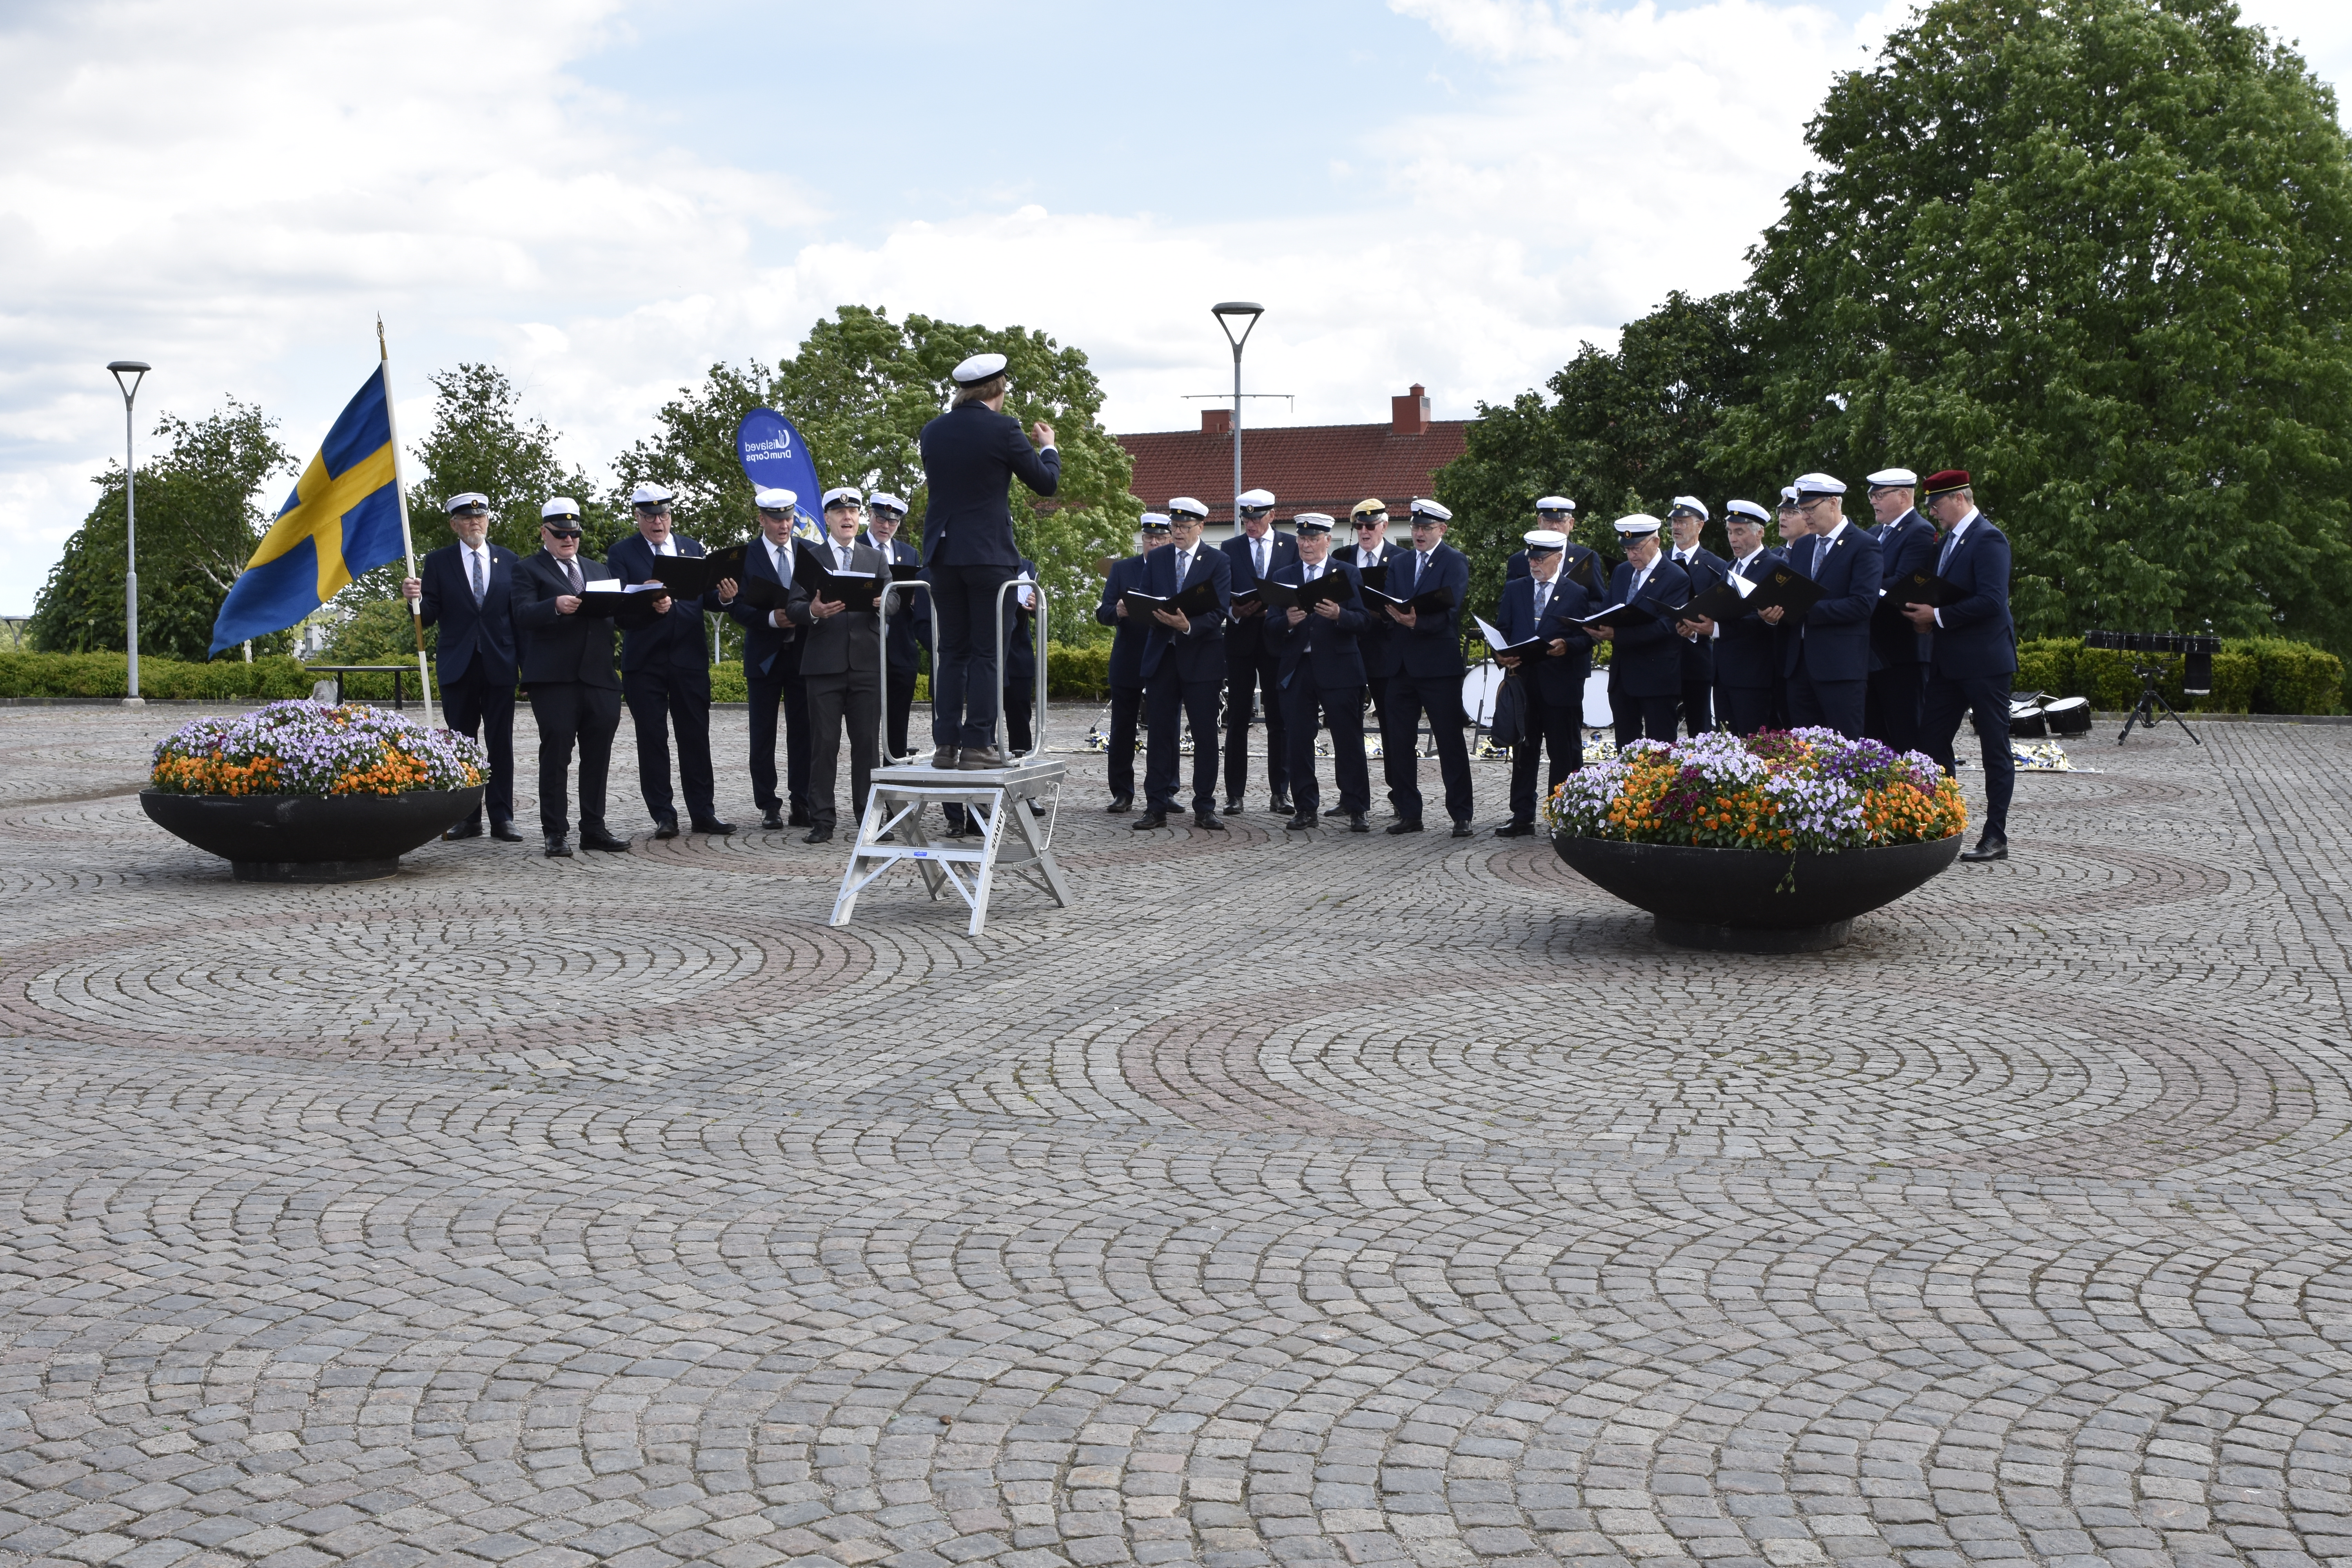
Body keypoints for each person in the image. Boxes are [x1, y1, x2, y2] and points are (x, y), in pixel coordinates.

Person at [918, 352, 1058, 769]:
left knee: (952, 651)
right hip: (988, 556)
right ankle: (978, 743)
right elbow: (1046, 482)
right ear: (998, 389)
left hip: (942, 555)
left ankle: (946, 743)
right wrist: (1048, 448)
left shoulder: (932, 431)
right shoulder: (1003, 429)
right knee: (988, 653)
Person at [608, 483, 738, 837]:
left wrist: (725, 597)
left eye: (663, 514)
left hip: (689, 659)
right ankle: (664, 815)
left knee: (695, 737)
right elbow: (619, 613)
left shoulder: (692, 548)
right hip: (645, 663)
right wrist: (650, 606)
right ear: (638, 518)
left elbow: (704, 597)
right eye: (650, 517)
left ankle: (703, 812)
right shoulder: (622, 554)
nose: (658, 522)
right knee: (652, 739)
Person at [1903, 469, 2017, 863]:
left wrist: (1936, 616)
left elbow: (1992, 600)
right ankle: (1939, 823)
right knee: (1930, 743)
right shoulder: (1948, 542)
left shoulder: (1989, 538)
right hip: (1948, 662)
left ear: (1960, 498)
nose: (1933, 512)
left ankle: (1996, 835)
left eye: (1937, 504)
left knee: (1994, 749)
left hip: (1985, 662)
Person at [509, 499, 632, 857]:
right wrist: (554, 606)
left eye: (574, 534)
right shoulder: (527, 569)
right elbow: (521, 614)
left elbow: (618, 618)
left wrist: (649, 606)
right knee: (557, 754)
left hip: (599, 678)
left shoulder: (598, 570)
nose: (569, 540)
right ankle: (555, 832)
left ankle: (594, 828)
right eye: (561, 534)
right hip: (555, 679)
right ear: (545, 533)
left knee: (598, 757)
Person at [401, 492, 521, 842]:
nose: (475, 523)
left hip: (500, 663)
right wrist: (415, 600)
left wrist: (526, 669)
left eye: (480, 517)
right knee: (462, 744)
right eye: (467, 519)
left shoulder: (509, 560)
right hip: (459, 666)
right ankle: (467, 818)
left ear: (488, 520)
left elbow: (517, 618)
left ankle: (503, 818)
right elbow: (429, 617)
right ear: (454, 524)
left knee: (501, 743)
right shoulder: (439, 562)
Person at [787, 488, 887, 845]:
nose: (848, 517)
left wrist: (881, 601)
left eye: (854, 511)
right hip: (823, 665)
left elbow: (894, 604)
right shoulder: (811, 557)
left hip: (865, 666)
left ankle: (868, 816)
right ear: (827, 517)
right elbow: (794, 607)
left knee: (866, 744)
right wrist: (813, 612)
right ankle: (822, 820)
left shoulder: (874, 558)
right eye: (840, 511)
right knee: (824, 744)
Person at [1262, 512, 1372, 833]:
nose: (1306, 545)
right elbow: (1270, 627)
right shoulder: (1284, 574)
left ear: (1328, 540)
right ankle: (1305, 807)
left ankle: (1356, 807)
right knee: (1297, 741)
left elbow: (1365, 621)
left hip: (1339, 667)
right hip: (1298, 669)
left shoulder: (1347, 573)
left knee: (1348, 740)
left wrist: (1340, 615)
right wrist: (1288, 622)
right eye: (1302, 539)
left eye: (1313, 539)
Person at [1376, 498, 1475, 837]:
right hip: (1401, 666)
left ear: (1442, 530)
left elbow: (1451, 610)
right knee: (1399, 742)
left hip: (1437, 666)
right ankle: (1408, 812)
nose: (1419, 533)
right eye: (1416, 528)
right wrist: (1396, 616)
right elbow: (1387, 600)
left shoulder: (1455, 561)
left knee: (1449, 741)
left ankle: (1461, 814)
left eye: (1426, 528)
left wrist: (1417, 622)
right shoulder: (1401, 563)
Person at [1133, 503, 1231, 831]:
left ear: (1201, 527)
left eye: (1185, 526)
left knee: (1205, 735)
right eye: (1175, 525)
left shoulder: (1218, 561)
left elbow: (1219, 612)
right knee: (1160, 734)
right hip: (1162, 658)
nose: (1177, 531)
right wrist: (1151, 613)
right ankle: (1156, 805)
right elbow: (1145, 599)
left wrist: (1186, 625)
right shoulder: (1158, 558)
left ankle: (1204, 806)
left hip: (1202, 659)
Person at [1491, 528, 1594, 835]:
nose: (1534, 564)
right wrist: (1501, 656)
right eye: (1531, 558)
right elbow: (1502, 631)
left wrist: (1568, 646)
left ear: (1558, 558)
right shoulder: (1516, 589)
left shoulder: (1576, 593)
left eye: (1540, 558)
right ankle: (1522, 816)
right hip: (1524, 685)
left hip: (1560, 686)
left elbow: (1586, 638)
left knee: (1563, 754)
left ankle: (1562, 815)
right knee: (1524, 752)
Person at [728, 489, 816, 832]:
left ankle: (801, 800)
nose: (784, 525)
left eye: (789, 518)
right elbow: (734, 605)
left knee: (803, 732)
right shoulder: (745, 556)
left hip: (802, 654)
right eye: (777, 519)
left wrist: (806, 613)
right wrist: (771, 619)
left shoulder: (808, 551)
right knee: (762, 735)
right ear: (762, 519)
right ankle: (768, 804)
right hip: (764, 655)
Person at [1772, 472, 1880, 739]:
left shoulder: (1864, 545)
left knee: (1845, 750)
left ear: (1834, 503)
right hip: (1799, 666)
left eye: (1810, 509)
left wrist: (1806, 609)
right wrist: (1774, 612)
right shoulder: (1803, 546)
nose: (1805, 516)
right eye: (1802, 510)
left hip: (1840, 668)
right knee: (1804, 752)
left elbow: (1863, 605)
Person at [1218, 487, 1299, 815]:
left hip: (1277, 641)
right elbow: (1222, 592)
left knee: (1279, 719)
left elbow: (1298, 587)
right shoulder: (1230, 547)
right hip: (1241, 639)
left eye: (1256, 518)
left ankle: (1281, 792)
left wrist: (1277, 610)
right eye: (1245, 518)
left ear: (1272, 516)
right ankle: (1234, 794)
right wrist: (1236, 611)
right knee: (1237, 718)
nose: (1250, 525)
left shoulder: (1292, 546)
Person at [1678, 500, 1785, 737]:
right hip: (1725, 673)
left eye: (1740, 532)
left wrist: (1716, 630)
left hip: (1754, 675)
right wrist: (1695, 627)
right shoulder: (1730, 567)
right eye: (1729, 532)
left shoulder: (1774, 566)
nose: (1733, 539)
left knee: (1756, 745)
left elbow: (1765, 619)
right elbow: (1721, 610)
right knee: (1731, 746)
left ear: (1760, 533)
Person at [1588, 514, 1690, 748]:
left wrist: (1618, 635)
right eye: (1627, 550)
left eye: (1637, 548)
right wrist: (1593, 625)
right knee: (1625, 750)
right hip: (1623, 677)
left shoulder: (1675, 577)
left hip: (1657, 678)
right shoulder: (1623, 572)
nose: (1632, 555)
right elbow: (1608, 609)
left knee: (1661, 751)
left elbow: (1667, 626)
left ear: (1656, 542)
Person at [1093, 514, 1169, 813]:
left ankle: (1167, 789)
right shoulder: (1124, 569)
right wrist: (1119, 612)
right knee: (1123, 729)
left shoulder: (1175, 569)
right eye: (1149, 538)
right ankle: (1122, 791)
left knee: (1164, 728)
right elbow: (1104, 612)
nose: (1153, 543)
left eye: (1160, 538)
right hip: (1129, 658)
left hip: (1164, 658)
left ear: (1168, 540)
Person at [1334, 498, 1403, 809]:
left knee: (1392, 727)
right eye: (1359, 526)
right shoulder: (1341, 557)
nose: (1364, 531)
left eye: (1371, 526)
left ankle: (1399, 793)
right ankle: (1351, 796)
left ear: (1384, 527)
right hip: (1347, 650)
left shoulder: (1400, 558)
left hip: (1384, 652)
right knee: (1346, 728)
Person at [1863, 467, 1937, 756]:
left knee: (1907, 734)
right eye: (1872, 496)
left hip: (1902, 652)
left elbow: (1904, 584)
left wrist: (1860, 591)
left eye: (1880, 495)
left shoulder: (1920, 531)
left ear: (1904, 495)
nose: (1873, 502)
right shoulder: (1874, 533)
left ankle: (1918, 796)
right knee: (1874, 735)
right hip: (1872, 651)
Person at [863, 491, 928, 763]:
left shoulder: (908, 554)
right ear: (870, 516)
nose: (885, 526)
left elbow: (919, 604)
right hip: (864, 649)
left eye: (893, 522)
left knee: (898, 725)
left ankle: (895, 791)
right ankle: (867, 792)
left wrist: (914, 601)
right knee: (864, 726)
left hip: (901, 650)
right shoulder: (853, 548)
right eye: (880, 519)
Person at [1664, 496, 1728, 736]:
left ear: (1700, 525)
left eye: (1683, 522)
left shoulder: (1716, 566)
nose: (1676, 527)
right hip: (1660, 657)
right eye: (1674, 522)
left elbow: (1722, 610)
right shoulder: (1658, 562)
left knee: (1700, 729)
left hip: (1696, 659)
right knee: (1661, 730)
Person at [1505, 497, 1600, 590]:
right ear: (1539, 521)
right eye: (1549, 521)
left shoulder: (1586, 558)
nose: (1554, 527)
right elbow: (1508, 601)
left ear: (1571, 524)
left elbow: (1598, 601)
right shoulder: (1519, 560)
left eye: (1560, 521)